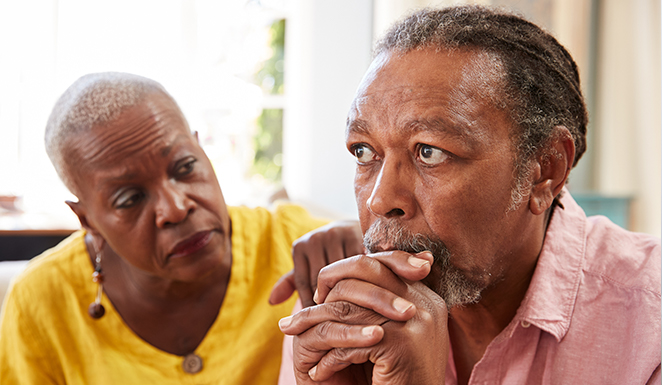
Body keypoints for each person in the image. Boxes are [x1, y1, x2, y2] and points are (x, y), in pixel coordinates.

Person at [277, 5, 661, 385]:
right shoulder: (342, 308)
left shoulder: (649, 327)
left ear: (545, 170)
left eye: (429, 151)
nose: (380, 201)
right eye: (363, 152)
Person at [0, 72, 363, 384]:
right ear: (88, 221)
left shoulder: (295, 244)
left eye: (185, 166)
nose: (175, 208)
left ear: (201, 149)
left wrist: (373, 247)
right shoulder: (41, 301)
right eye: (130, 199)